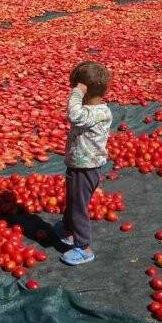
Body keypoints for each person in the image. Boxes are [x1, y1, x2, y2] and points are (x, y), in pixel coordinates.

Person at [54, 62, 113, 266]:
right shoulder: (91, 110)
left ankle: (84, 247)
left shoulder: (98, 113)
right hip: (79, 165)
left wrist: (76, 92)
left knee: (79, 207)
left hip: (85, 169)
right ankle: (68, 230)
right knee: (73, 201)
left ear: (84, 90)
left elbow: (74, 115)